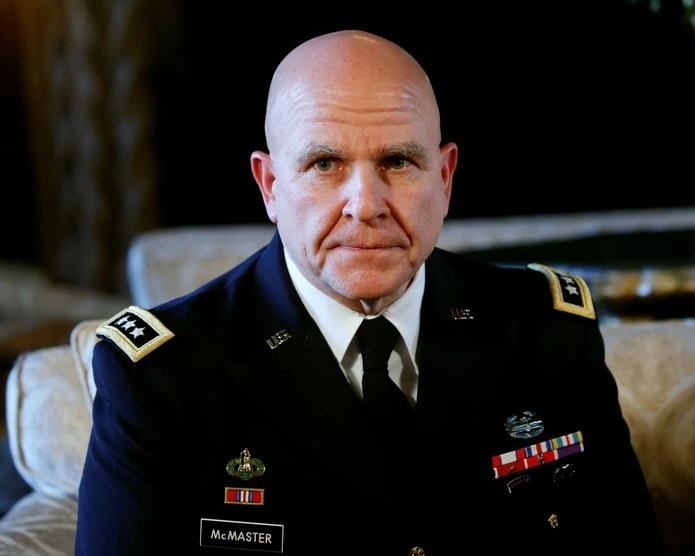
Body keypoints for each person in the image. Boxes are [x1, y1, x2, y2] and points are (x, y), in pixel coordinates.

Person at [75, 29, 663, 555]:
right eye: (325, 163)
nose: (365, 205)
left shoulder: (547, 334)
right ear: (271, 186)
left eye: (398, 161)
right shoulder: (161, 381)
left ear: (445, 178)